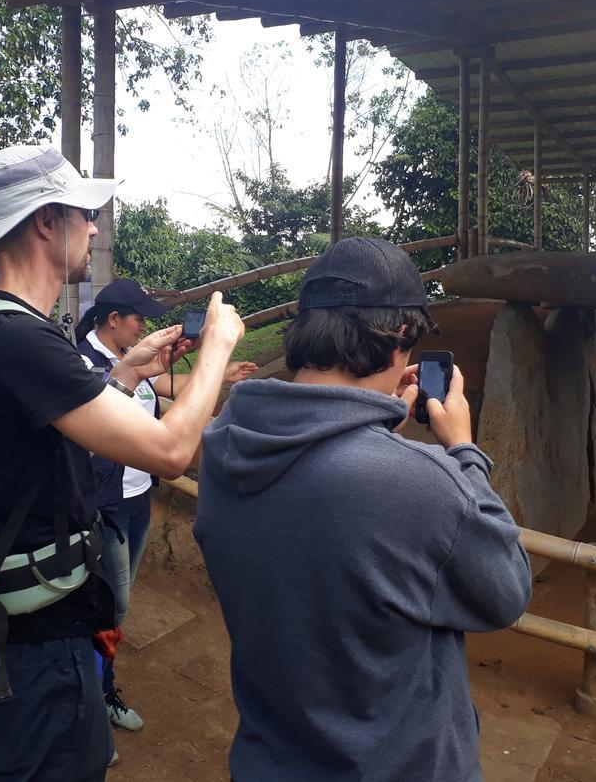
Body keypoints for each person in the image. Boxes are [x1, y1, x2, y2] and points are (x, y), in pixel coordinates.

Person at [0, 143, 245, 781]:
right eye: (85, 212)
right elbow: (170, 450)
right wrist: (215, 347)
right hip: (28, 642)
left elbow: (64, 418)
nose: (96, 226)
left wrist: (131, 368)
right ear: (47, 222)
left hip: (9, 622)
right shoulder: (17, 338)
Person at [194, 237, 533, 782]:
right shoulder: (421, 483)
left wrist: (372, 428)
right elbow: (506, 592)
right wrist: (464, 451)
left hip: (268, 761)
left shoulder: (225, 446)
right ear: (402, 335)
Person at [75, 278, 257, 734]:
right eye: (139, 318)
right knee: (109, 607)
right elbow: (98, 410)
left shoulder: (132, 359)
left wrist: (221, 373)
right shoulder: (80, 363)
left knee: (118, 602)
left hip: (137, 498)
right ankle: (93, 700)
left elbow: (163, 385)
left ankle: (94, 688)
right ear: (113, 319)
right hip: (105, 506)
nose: (144, 326)